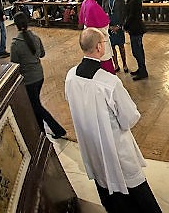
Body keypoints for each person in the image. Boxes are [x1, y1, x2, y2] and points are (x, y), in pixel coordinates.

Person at [65, 28, 161, 212]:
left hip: (92, 146)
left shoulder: (70, 76)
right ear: (99, 47)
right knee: (139, 195)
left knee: (109, 193)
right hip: (115, 149)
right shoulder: (108, 82)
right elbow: (129, 118)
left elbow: (74, 103)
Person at [10, 12, 66, 139]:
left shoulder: (15, 44)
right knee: (35, 105)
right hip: (39, 76)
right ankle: (41, 131)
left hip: (28, 80)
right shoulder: (36, 38)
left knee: (36, 106)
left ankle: (55, 130)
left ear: (16, 25)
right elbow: (42, 54)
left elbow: (14, 64)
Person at [78, 0, 114, 73]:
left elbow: (83, 19)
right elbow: (104, 24)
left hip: (89, 35)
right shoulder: (93, 5)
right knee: (104, 58)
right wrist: (106, 17)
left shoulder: (85, 2)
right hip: (98, 36)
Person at [102, 0, 129, 74]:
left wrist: (119, 25)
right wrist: (108, 26)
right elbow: (103, 12)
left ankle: (125, 64)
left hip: (119, 26)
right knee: (112, 47)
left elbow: (123, 13)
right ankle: (116, 64)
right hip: (109, 26)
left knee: (121, 46)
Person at [124, 0, 148, 80]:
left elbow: (132, 15)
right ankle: (141, 68)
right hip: (134, 28)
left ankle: (143, 71)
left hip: (136, 28)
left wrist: (125, 25)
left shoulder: (135, 0)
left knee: (137, 51)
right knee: (137, 50)